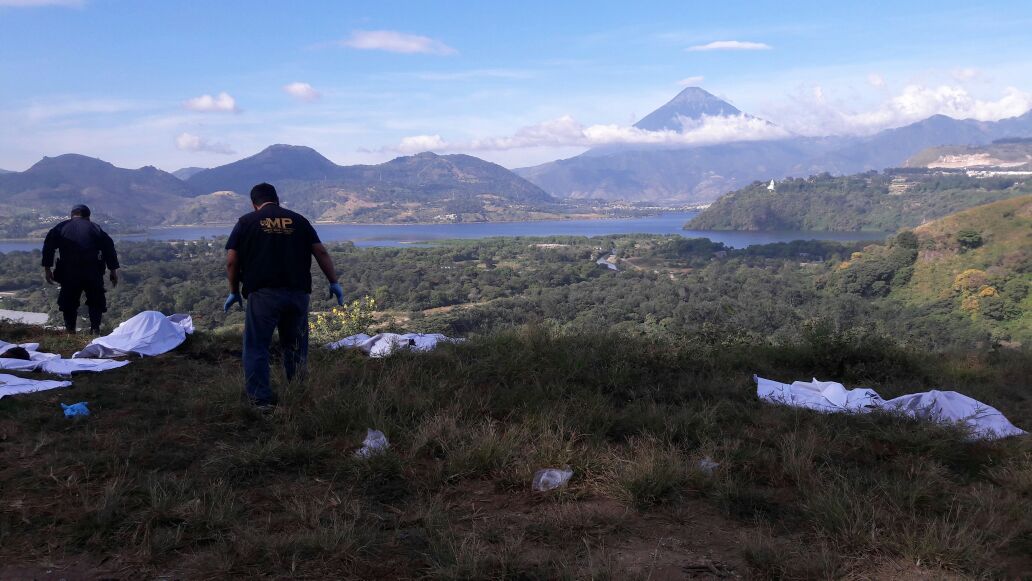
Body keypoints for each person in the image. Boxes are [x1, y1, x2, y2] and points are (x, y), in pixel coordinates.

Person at [224, 183, 344, 409]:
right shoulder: (299, 220)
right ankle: (299, 395)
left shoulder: (246, 222)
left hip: (264, 295)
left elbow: (231, 260)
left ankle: (260, 401)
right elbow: (321, 252)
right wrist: (334, 282)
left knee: (257, 346)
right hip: (298, 294)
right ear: (277, 200)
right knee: (296, 346)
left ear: (254, 203)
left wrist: (233, 291)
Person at [42, 204, 120, 334]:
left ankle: (70, 331)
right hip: (93, 271)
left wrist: (47, 269)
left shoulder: (61, 228)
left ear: (72, 215)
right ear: (88, 217)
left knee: (68, 302)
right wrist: (113, 271)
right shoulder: (95, 228)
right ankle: (95, 329)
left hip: (68, 272)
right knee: (96, 300)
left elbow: (48, 248)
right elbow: (109, 249)